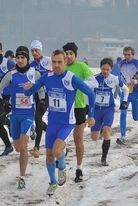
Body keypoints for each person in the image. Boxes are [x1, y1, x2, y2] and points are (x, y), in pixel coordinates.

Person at [23, 49, 96, 196]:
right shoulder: (47, 76)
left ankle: (62, 167)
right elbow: (30, 92)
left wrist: (91, 115)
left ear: (65, 61)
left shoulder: (72, 78)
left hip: (67, 124)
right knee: (49, 156)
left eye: (59, 62)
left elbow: (91, 93)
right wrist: (28, 88)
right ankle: (53, 182)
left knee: (57, 151)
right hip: (52, 123)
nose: (56, 65)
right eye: (54, 62)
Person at [0, 46, 45, 190]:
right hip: (15, 115)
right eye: (18, 58)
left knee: (23, 147)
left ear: (27, 59)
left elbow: (41, 91)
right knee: (17, 148)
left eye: (23, 58)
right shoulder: (11, 74)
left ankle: (22, 177)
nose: (20, 60)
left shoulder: (34, 73)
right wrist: (4, 104)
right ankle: (32, 131)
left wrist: (41, 102)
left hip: (28, 114)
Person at [62, 42, 98, 183]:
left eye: (71, 54)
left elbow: (94, 83)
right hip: (64, 109)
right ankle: (61, 162)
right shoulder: (60, 67)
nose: (69, 56)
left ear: (75, 55)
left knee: (78, 140)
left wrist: (78, 85)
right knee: (61, 139)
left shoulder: (81, 67)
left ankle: (79, 168)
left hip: (79, 108)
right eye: (66, 54)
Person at [91, 57, 129, 166]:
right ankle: (101, 127)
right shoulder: (95, 79)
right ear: (100, 68)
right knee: (95, 137)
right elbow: (87, 91)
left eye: (107, 69)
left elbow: (125, 89)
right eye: (103, 69)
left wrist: (124, 101)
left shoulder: (114, 79)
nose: (105, 71)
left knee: (107, 131)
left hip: (109, 109)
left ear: (111, 69)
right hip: (97, 110)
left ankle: (104, 158)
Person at [116, 46, 138, 145]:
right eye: (125, 55)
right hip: (125, 93)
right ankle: (123, 136)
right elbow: (119, 76)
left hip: (136, 93)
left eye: (128, 55)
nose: (126, 57)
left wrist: (137, 81)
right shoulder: (120, 64)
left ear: (133, 55)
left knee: (135, 116)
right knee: (123, 114)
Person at [29, 40, 52, 158]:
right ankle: (50, 132)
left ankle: (36, 147)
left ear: (41, 50)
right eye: (32, 51)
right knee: (37, 119)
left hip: (48, 94)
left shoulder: (48, 61)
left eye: (36, 50)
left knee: (38, 116)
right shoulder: (31, 66)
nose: (34, 53)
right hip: (37, 95)